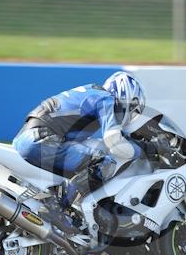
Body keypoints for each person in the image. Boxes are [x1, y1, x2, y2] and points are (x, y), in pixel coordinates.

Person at [12, 71, 147, 217]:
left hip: (30, 137)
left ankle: (61, 206)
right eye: (133, 108)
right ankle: (57, 209)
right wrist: (142, 149)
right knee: (103, 162)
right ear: (125, 94)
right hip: (42, 140)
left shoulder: (93, 93)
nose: (131, 115)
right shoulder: (106, 99)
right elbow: (114, 142)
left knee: (86, 162)